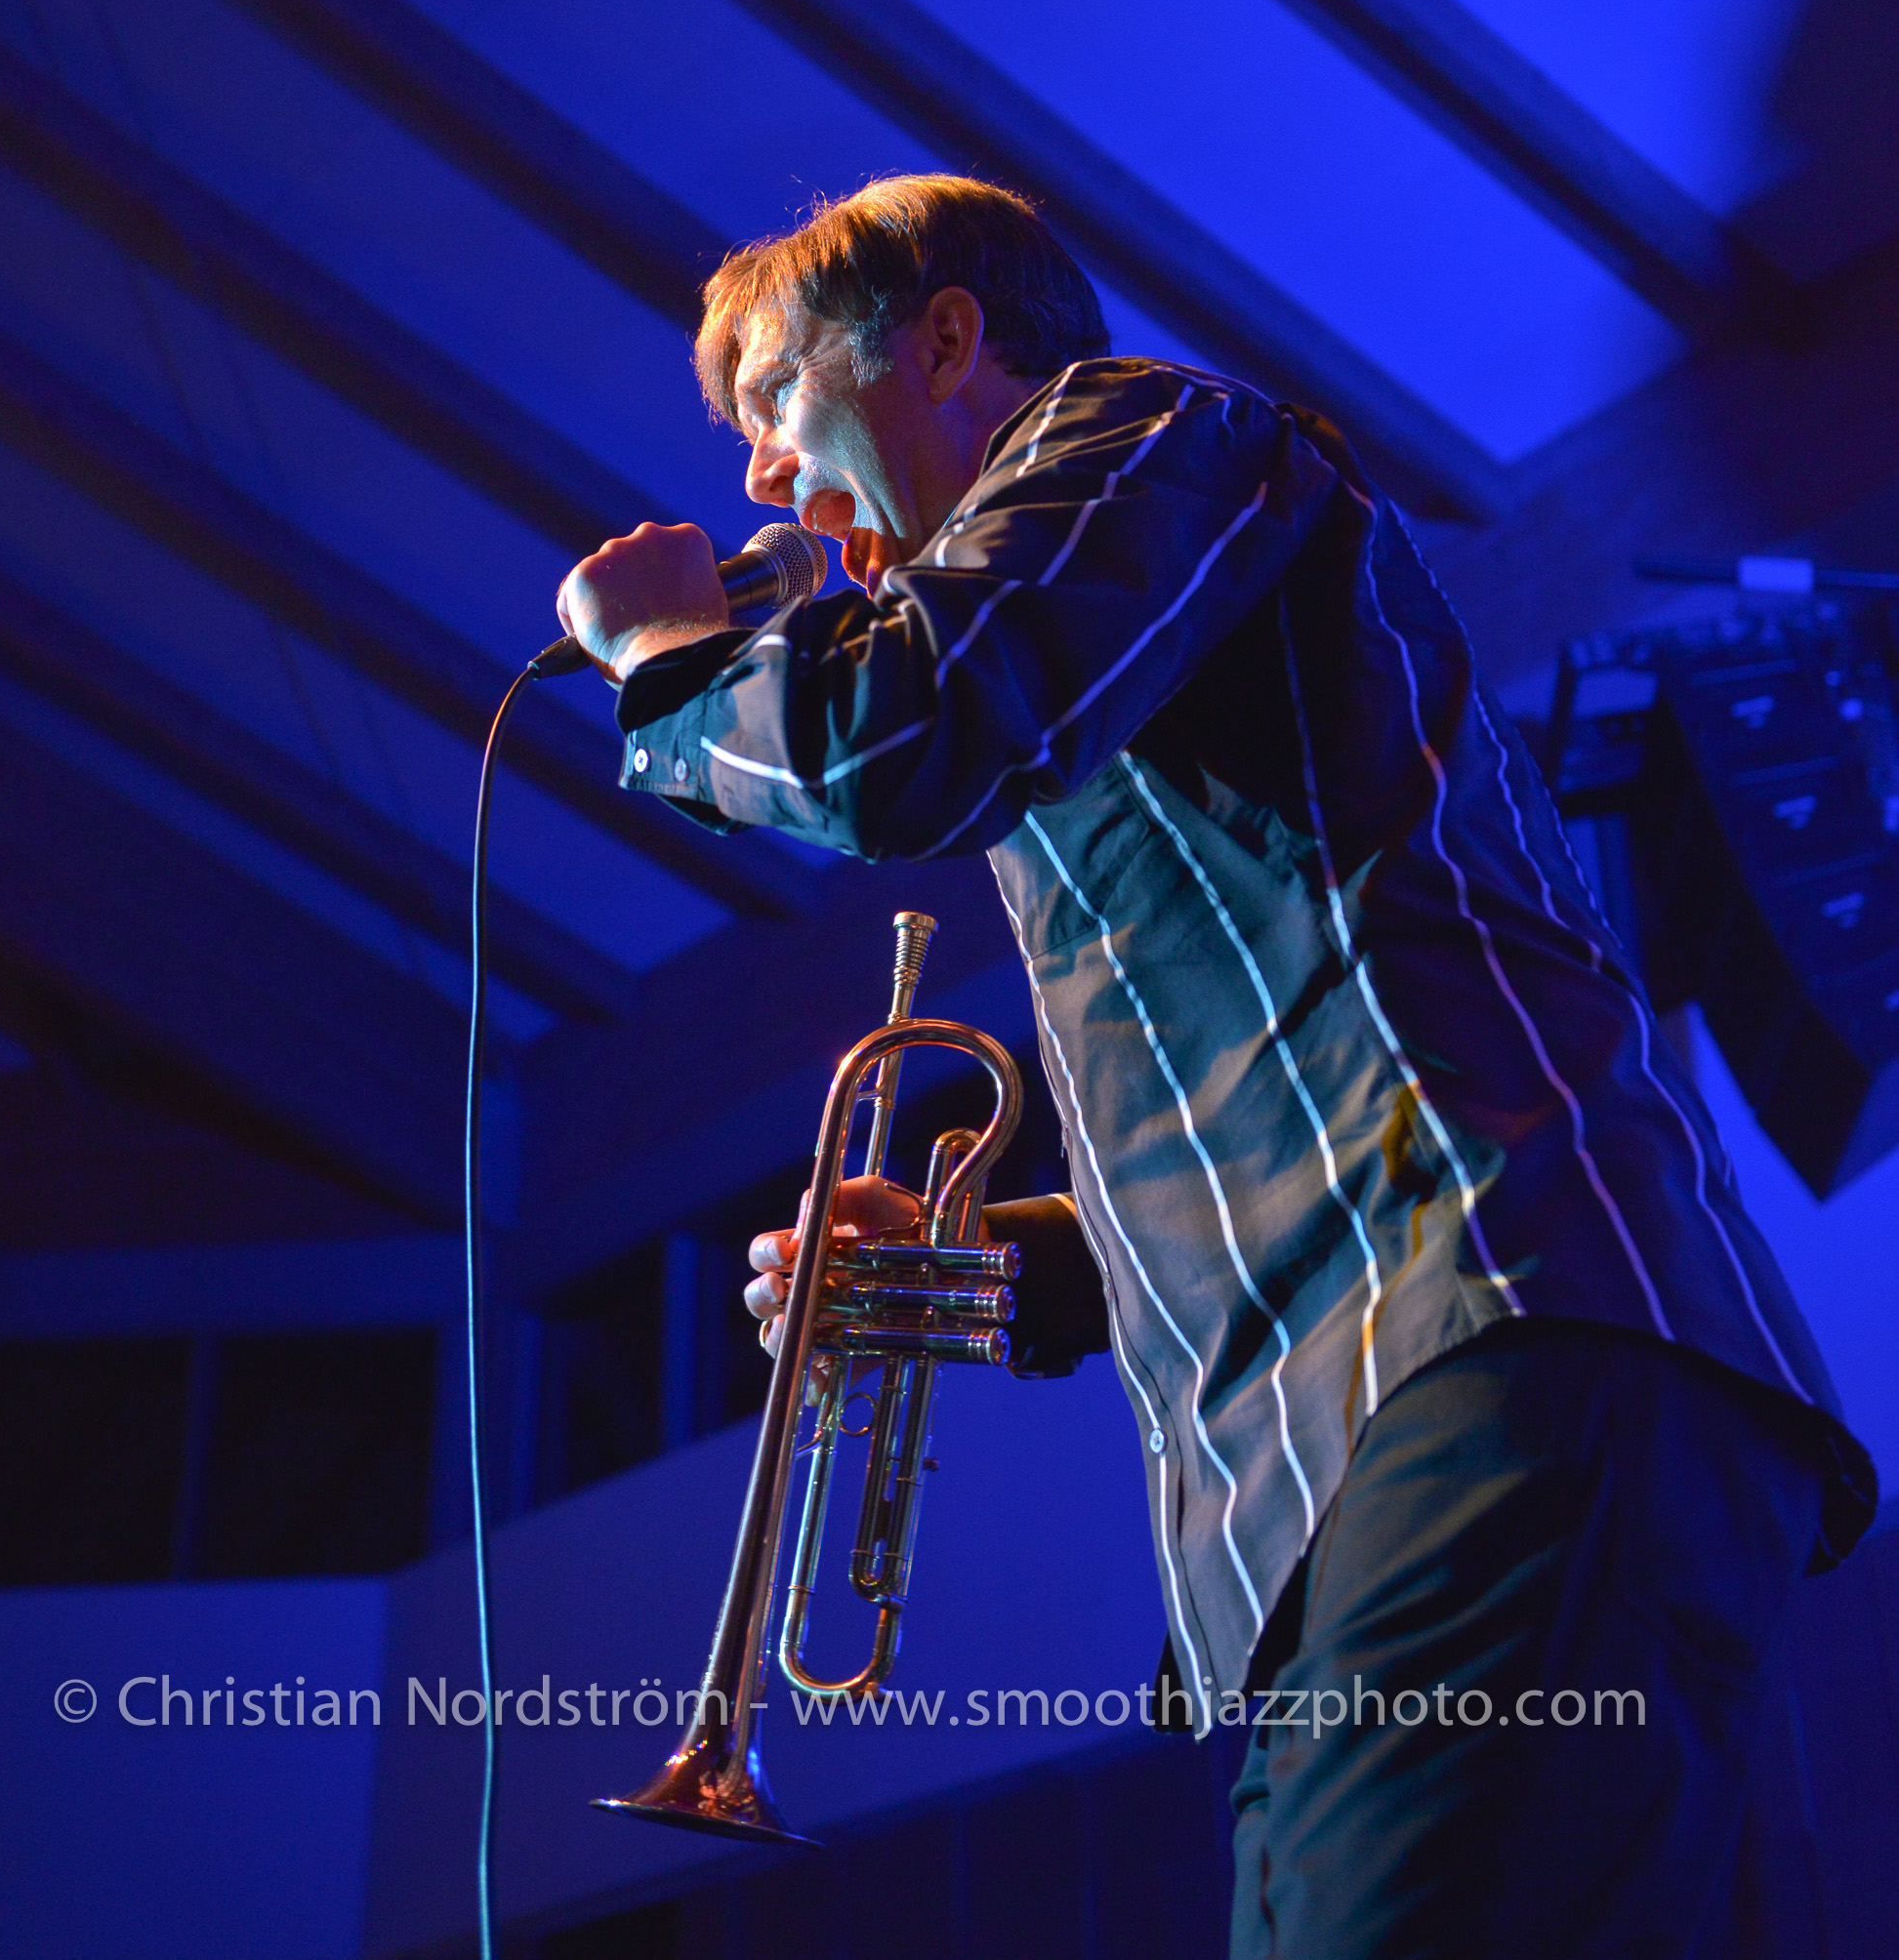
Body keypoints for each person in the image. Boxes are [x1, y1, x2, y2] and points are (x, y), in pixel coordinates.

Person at [555, 173, 1877, 1958]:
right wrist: (968, 1263)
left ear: (945, 343)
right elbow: (1267, 1126)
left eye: (780, 395)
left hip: (1495, 1335)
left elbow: (890, 747)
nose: (765, 480)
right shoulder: (1095, 700)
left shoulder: (1153, 432)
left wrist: (666, 660)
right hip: (1357, 1447)